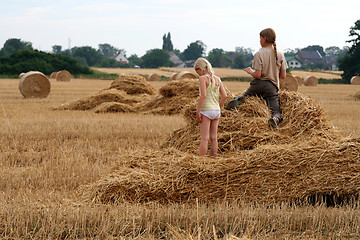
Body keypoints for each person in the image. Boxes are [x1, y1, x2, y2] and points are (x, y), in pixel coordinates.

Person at [226, 28, 288, 129]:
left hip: (257, 85)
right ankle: (275, 119)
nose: (259, 41)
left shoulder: (258, 54)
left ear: (265, 39)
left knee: (246, 97)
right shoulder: (280, 54)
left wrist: (250, 71)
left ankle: (239, 100)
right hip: (271, 87)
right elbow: (283, 76)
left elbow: (258, 75)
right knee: (276, 111)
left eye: (260, 38)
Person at [194, 58, 227, 158]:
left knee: (204, 138)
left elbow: (203, 96)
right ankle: (213, 160)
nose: (198, 74)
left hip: (206, 110)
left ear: (200, 68)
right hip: (216, 111)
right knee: (214, 138)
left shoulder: (203, 78)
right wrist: (218, 107)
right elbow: (225, 96)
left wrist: (198, 111)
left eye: (197, 72)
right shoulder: (217, 79)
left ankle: (202, 161)